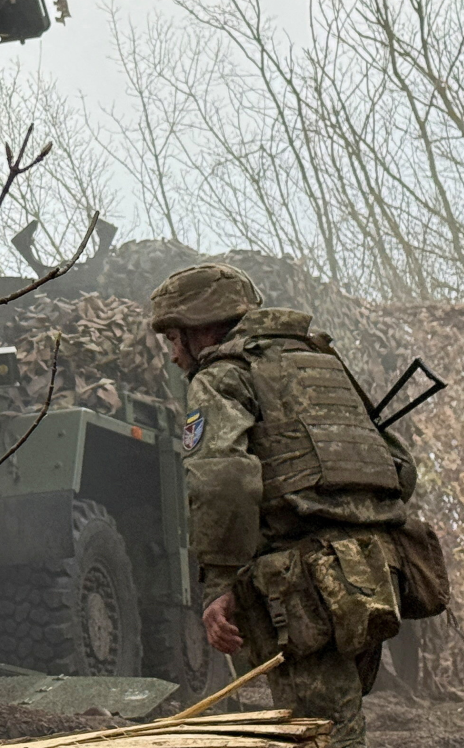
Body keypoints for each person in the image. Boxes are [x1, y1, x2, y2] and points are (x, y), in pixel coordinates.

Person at [151, 264, 418, 748]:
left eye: (174, 337)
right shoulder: (320, 363)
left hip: (302, 584)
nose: (172, 354)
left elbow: (222, 479)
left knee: (317, 731)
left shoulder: (222, 376)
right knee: (339, 719)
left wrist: (219, 582)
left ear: (203, 326)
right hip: (373, 572)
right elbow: (400, 467)